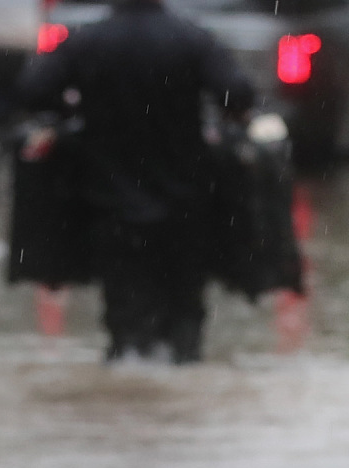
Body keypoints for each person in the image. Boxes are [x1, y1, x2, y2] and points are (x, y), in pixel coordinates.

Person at [15, 0, 254, 363]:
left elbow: (32, 90)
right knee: (185, 323)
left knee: (125, 326)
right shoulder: (191, 39)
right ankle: (182, 399)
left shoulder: (87, 41)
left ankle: (126, 400)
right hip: (184, 209)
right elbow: (238, 93)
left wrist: (73, 108)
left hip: (111, 211)